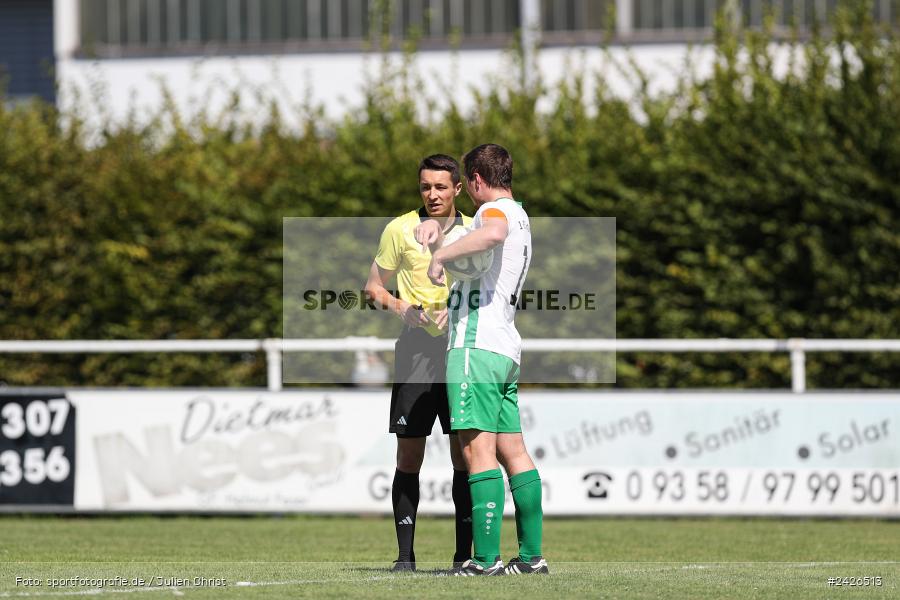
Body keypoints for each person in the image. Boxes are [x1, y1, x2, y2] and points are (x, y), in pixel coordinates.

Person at [415, 143, 548, 576]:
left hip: (476, 347)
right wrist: (444, 238)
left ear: (474, 179)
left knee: (478, 452)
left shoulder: (496, 214)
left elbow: (488, 233)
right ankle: (530, 558)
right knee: (515, 451)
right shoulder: (521, 215)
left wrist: (440, 256)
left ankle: (485, 560)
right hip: (506, 347)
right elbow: (480, 241)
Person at [364, 154, 473, 572]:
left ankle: (465, 558)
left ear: (458, 189)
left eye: (441, 187)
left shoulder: (473, 229)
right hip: (415, 352)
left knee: (465, 456)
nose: (432, 194)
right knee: (409, 457)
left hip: (462, 349)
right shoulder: (398, 228)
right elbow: (372, 287)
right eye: (426, 186)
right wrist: (400, 307)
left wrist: (461, 310)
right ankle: (405, 557)